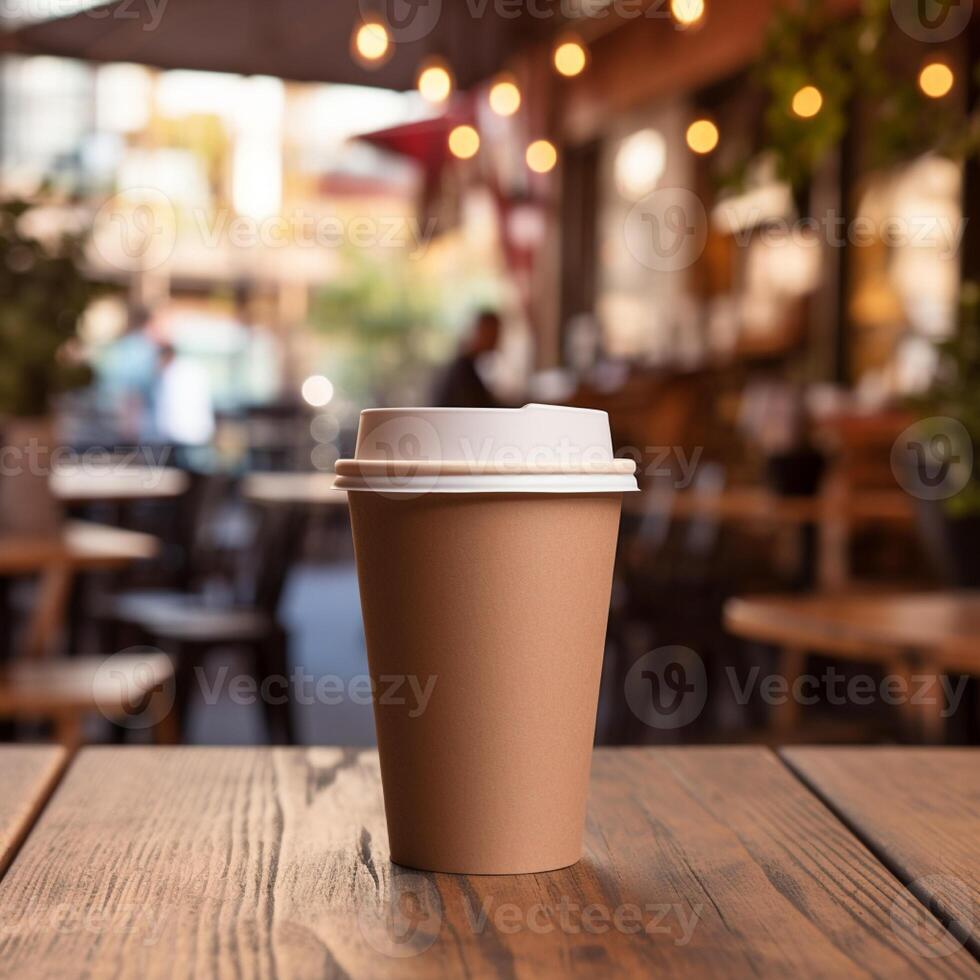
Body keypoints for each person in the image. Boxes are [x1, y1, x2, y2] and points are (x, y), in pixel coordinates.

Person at [432, 310, 502, 408]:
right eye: (494, 331)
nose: (498, 338)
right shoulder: (462, 371)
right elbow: (479, 408)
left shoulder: (467, 367)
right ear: (480, 331)